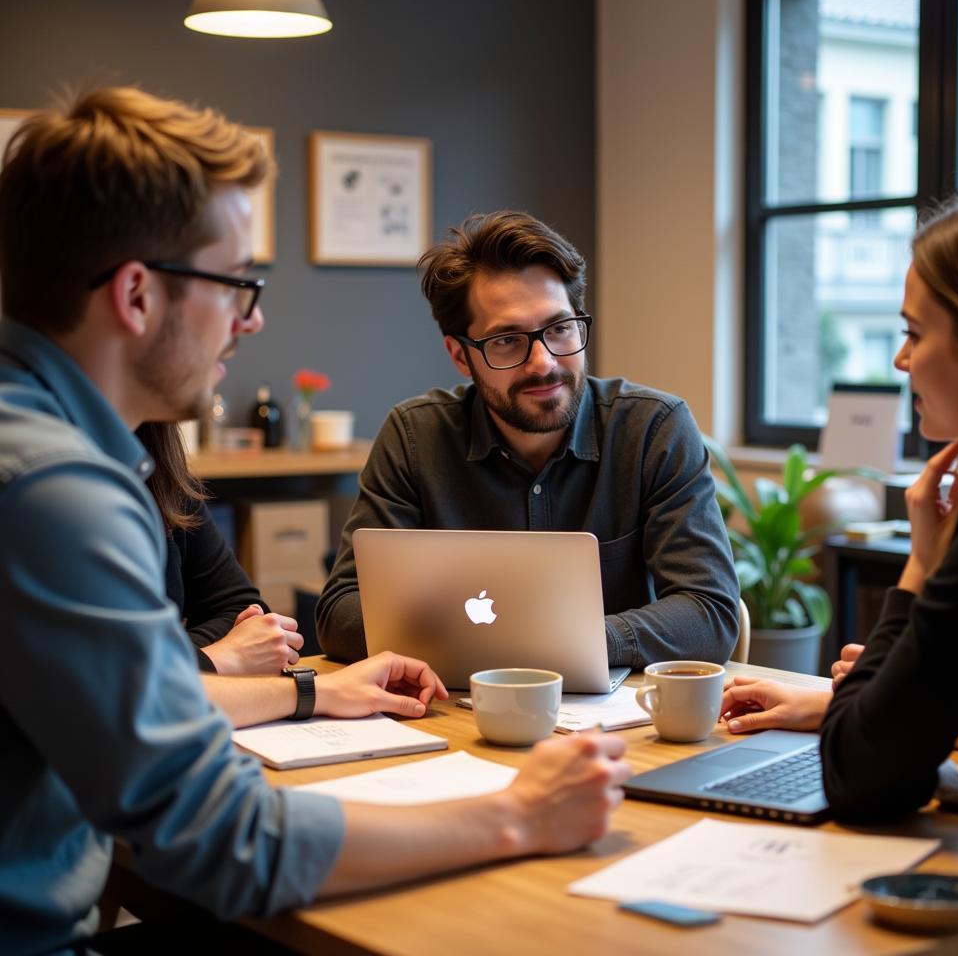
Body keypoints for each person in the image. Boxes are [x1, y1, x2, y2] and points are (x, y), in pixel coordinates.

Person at [0, 88, 631, 955]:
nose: (252, 319)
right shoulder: (55, 489)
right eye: (237, 285)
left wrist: (307, 690)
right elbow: (223, 842)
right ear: (137, 296)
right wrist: (518, 816)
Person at [316, 210, 740, 667]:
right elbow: (340, 611)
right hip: (455, 713)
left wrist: (573, 643)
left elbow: (710, 610)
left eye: (559, 329)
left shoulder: (653, 429)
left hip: (615, 725)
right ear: (461, 355)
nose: (542, 362)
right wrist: (507, 646)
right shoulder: (415, 437)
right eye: (507, 341)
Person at [718, 193, 958, 823]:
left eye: (914, 333)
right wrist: (876, 695)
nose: (900, 360)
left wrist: (920, 567)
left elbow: (862, 777)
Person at [137, 419, 304, 676]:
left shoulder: (163, 482)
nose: (220, 375)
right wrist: (225, 656)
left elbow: (242, 609)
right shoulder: (69, 484)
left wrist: (186, 659)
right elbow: (114, 668)